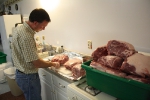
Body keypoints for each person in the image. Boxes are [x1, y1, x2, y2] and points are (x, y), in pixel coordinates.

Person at [11, 8, 60, 100]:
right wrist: (53, 63)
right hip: (28, 78)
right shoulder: (27, 36)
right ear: (35, 23)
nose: (44, 29)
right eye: (43, 26)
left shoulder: (19, 28)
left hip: (20, 74)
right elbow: (37, 63)